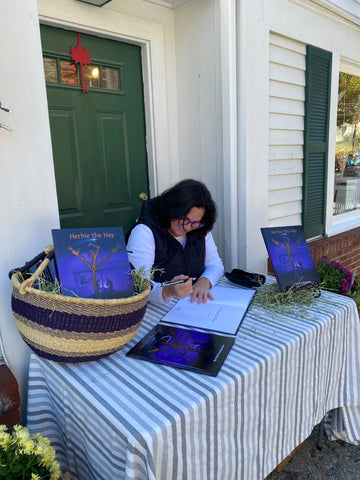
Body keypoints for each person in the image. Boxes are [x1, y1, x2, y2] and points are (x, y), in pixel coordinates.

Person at [127, 179, 224, 304]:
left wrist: (204, 281)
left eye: (194, 223)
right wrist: (167, 291)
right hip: (153, 310)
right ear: (172, 209)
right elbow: (137, 284)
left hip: (191, 306)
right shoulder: (144, 232)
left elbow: (215, 265)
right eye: (184, 219)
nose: (188, 227)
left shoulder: (200, 229)